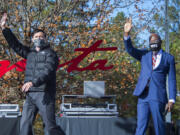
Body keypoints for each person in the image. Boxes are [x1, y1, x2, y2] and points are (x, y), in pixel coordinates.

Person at [0, 13, 64, 135]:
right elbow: (15, 45)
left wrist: (33, 82)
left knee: (50, 127)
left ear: (45, 39)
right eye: (36, 36)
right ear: (33, 39)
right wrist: (4, 28)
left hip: (45, 94)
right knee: (24, 126)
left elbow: (48, 71)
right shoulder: (30, 53)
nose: (38, 38)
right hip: (30, 96)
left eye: (41, 37)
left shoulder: (51, 54)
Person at [123, 18, 177, 135]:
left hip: (158, 96)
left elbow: (172, 80)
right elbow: (130, 50)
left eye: (156, 42)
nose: (154, 44)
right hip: (143, 95)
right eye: (151, 42)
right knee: (141, 126)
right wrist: (127, 33)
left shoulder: (169, 58)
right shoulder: (144, 55)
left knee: (159, 126)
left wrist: (172, 99)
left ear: (160, 42)